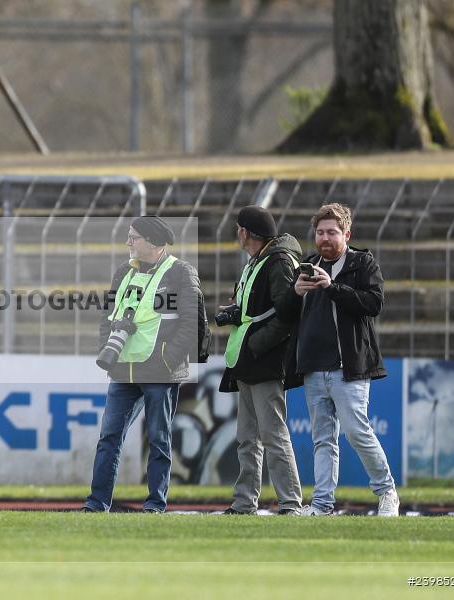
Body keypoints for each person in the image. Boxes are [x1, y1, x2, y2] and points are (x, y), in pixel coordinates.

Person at [279, 203, 399, 517]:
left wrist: (332, 287)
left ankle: (387, 492)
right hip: (313, 366)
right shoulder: (306, 265)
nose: (325, 238)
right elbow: (287, 316)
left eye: (332, 232)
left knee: (358, 432)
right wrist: (296, 293)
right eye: (320, 232)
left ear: (346, 234)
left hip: (350, 366)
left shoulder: (362, 262)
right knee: (322, 440)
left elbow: (373, 304)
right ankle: (321, 505)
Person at [83, 216, 202, 513]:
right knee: (108, 438)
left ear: (152, 242)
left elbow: (191, 323)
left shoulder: (180, 273)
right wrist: (106, 349)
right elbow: (107, 317)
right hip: (122, 370)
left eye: (133, 237)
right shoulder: (124, 271)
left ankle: (154, 505)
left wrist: (167, 359)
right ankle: (96, 505)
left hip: (160, 372)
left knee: (159, 440)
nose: (128, 243)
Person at [217, 206, 304, 515]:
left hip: (263, 359)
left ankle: (291, 503)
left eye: (238, 229)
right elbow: (258, 308)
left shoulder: (277, 261)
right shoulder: (258, 261)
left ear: (245, 232)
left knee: (273, 435)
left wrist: (257, 344)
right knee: (247, 439)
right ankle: (243, 503)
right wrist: (232, 313)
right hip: (248, 359)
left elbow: (289, 314)